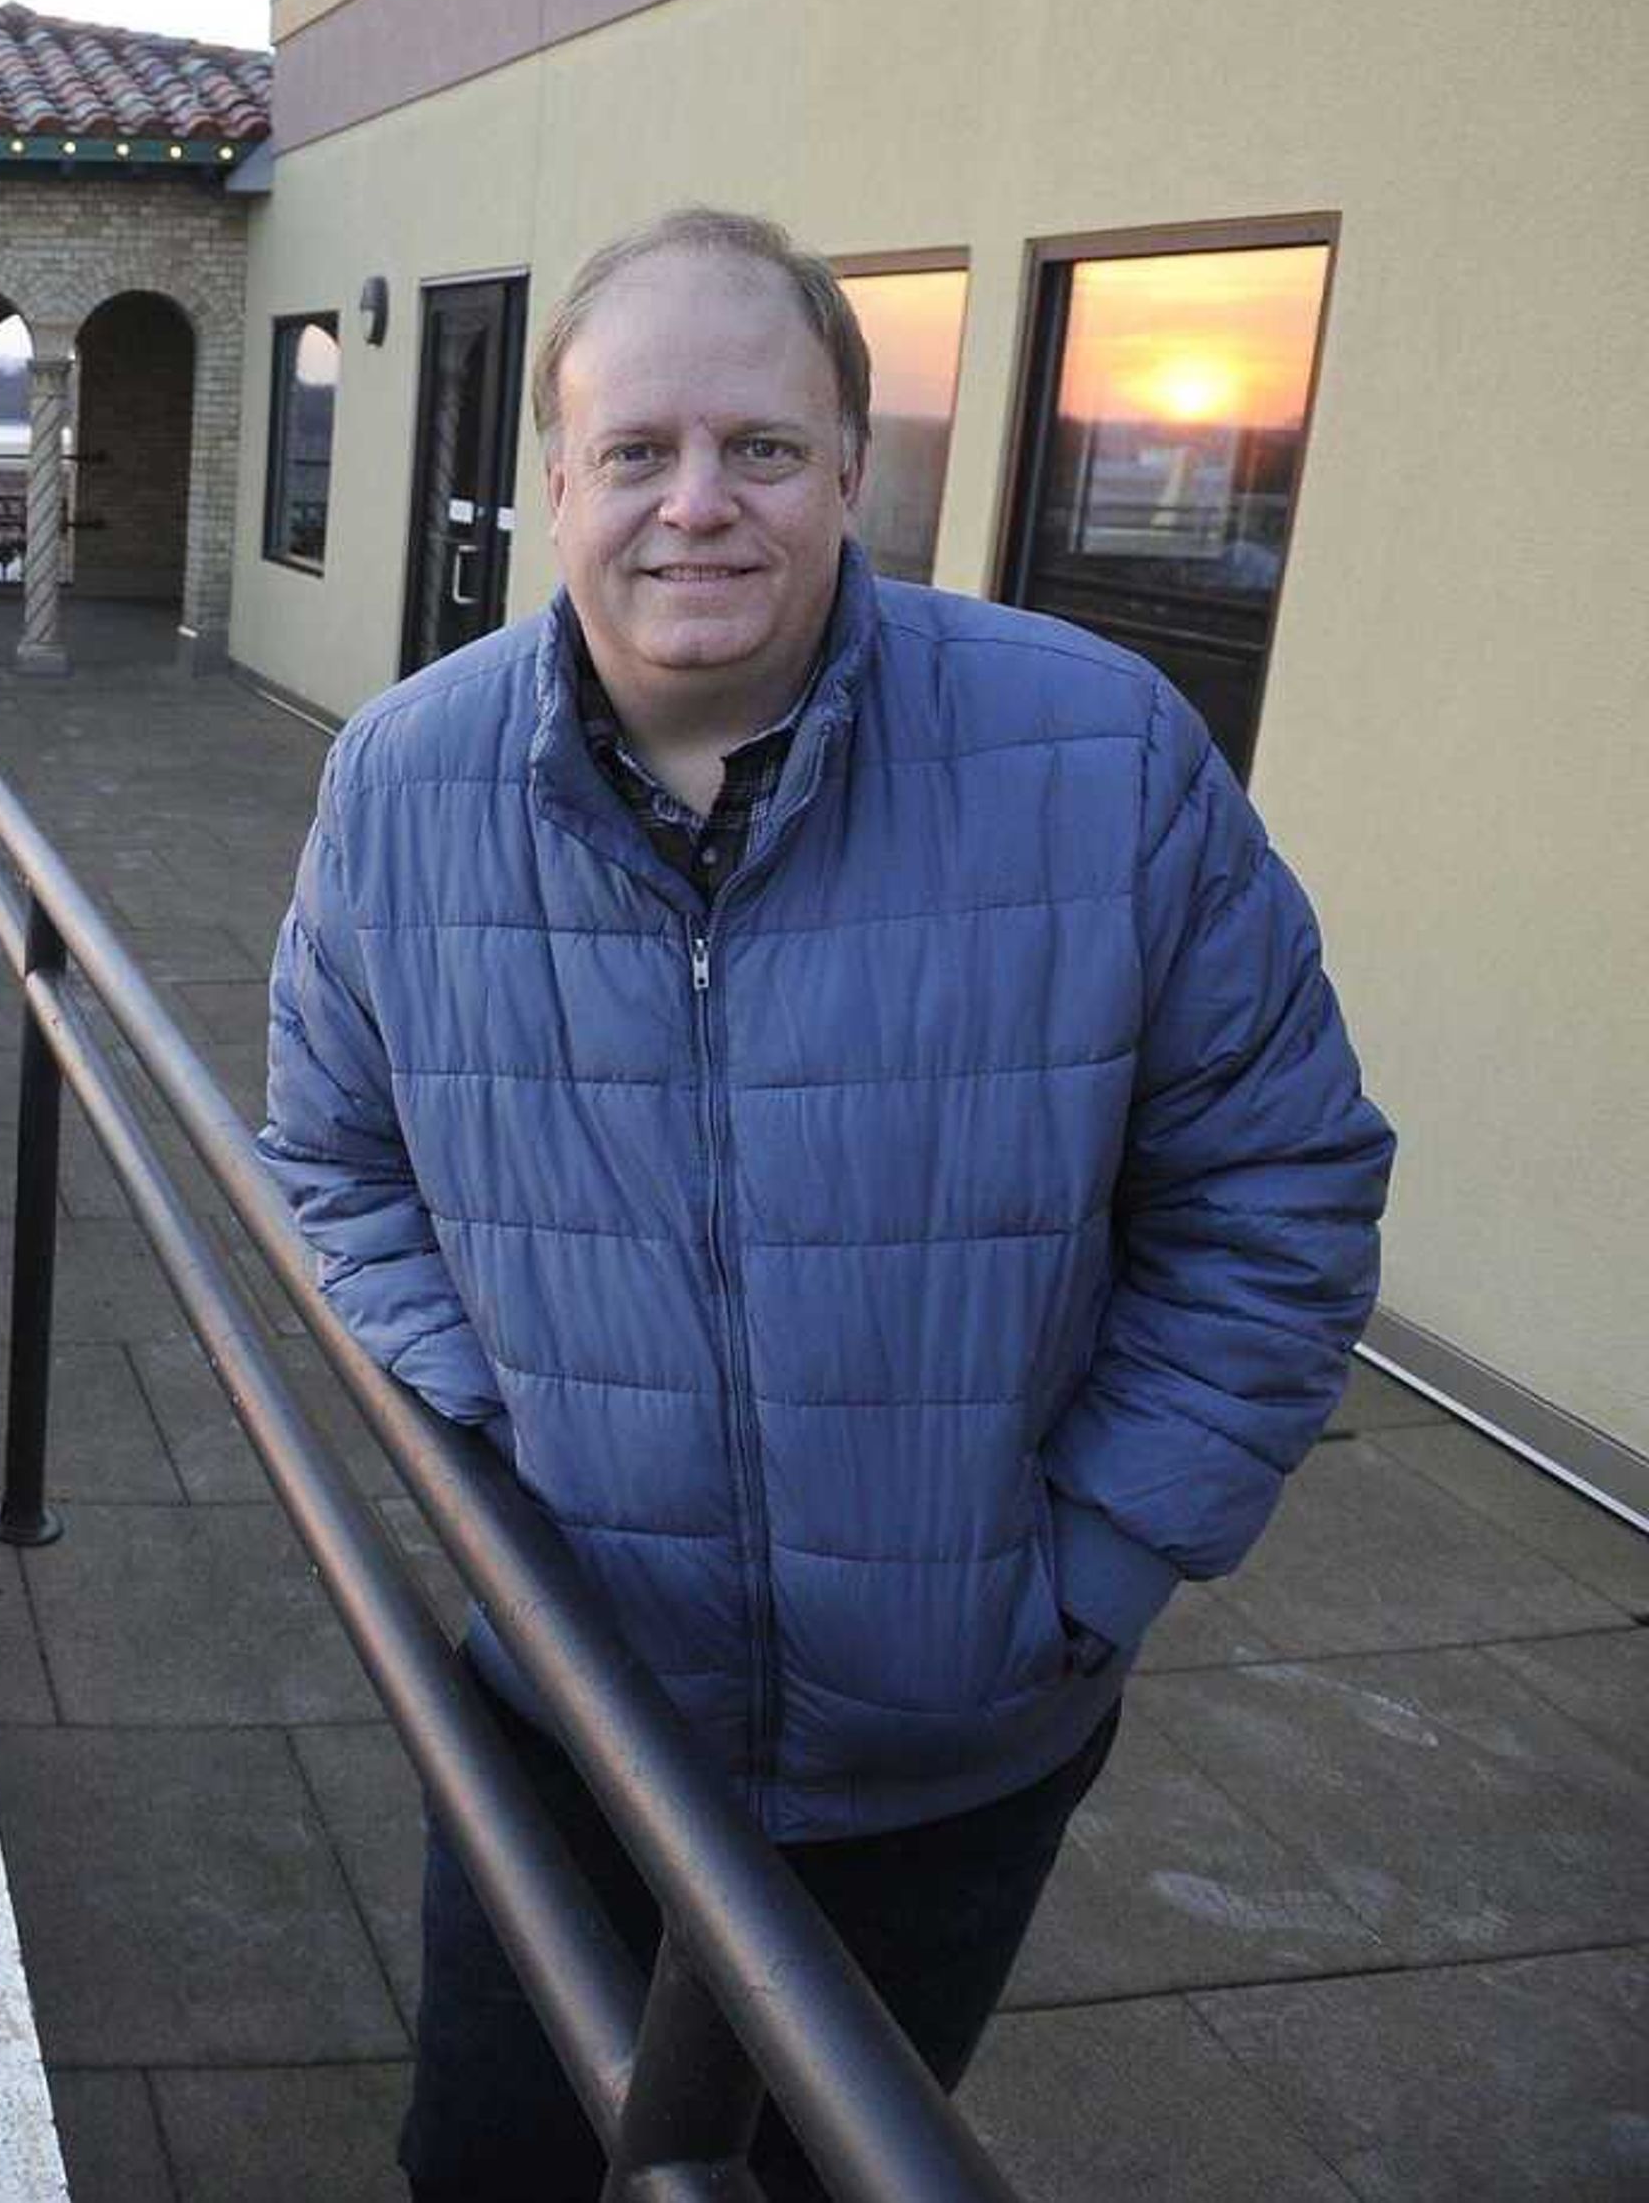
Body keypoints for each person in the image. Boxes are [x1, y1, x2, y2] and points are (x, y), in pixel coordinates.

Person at [259, 207, 1392, 2202]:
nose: (697, 505)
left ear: (855, 473)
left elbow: (1277, 1182)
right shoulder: (400, 785)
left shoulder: (1098, 752)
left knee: (817, 2173)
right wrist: (497, 1431)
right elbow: (335, 1158)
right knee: (497, 2167)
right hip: (572, 1711)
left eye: (762, 450)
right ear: (555, 487)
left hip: (951, 1756)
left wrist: (1100, 1554)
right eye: (638, 451)